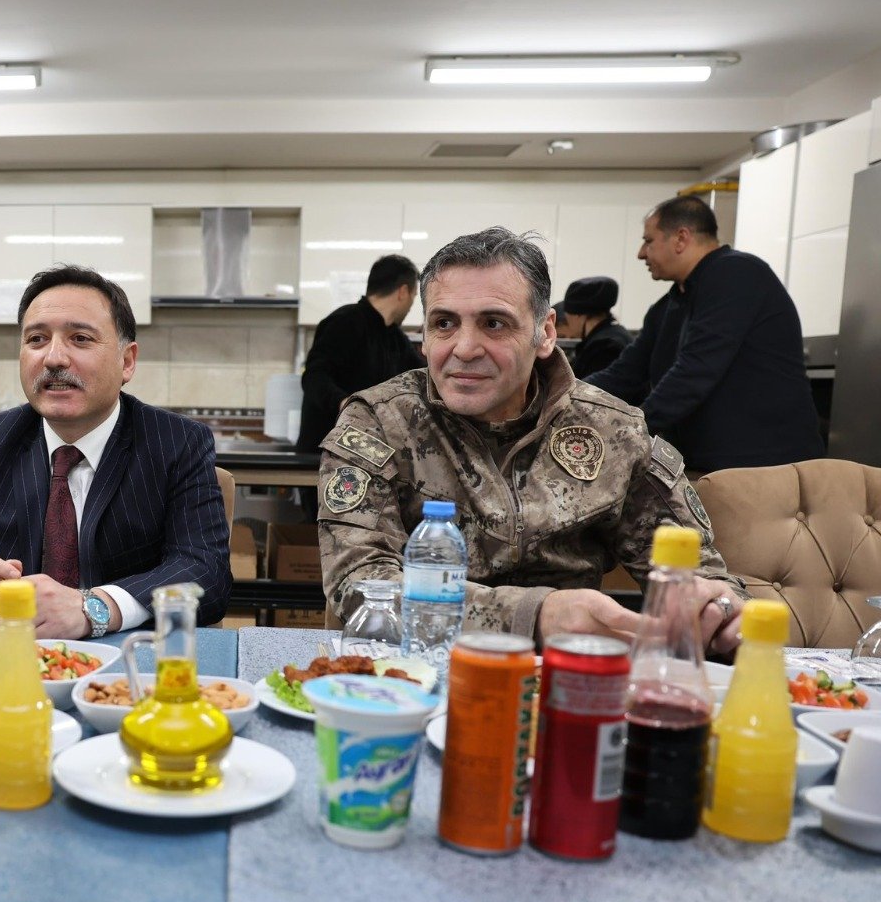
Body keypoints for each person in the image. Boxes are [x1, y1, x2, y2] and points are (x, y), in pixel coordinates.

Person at [316, 227, 747, 652]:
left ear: (545, 332)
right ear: (425, 337)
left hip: (567, 681)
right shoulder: (378, 423)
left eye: (494, 323)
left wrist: (719, 609)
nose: (465, 348)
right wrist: (535, 617)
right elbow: (361, 585)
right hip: (410, 677)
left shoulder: (613, 431)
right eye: (444, 323)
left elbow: (701, 576)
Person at [0, 265, 230, 636]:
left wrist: (94, 608)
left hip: (128, 661)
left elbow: (204, 570)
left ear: (127, 361)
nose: (54, 358)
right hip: (7, 657)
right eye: (37, 340)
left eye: (80, 338)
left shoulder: (177, 443)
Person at [583, 195, 823, 473]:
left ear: (681, 238)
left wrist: (631, 431)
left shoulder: (737, 274)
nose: (641, 253)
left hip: (767, 467)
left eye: (649, 241)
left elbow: (695, 370)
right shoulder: (671, 305)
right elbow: (624, 374)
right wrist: (562, 392)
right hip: (712, 467)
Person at [295, 254, 422, 455]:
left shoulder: (395, 338)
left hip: (366, 454)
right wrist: (345, 403)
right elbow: (314, 377)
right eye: (414, 298)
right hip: (325, 454)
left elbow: (419, 376)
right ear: (403, 292)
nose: (410, 306)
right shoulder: (344, 322)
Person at [556, 275, 631, 377]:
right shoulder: (616, 334)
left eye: (567, 315)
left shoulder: (604, 347)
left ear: (578, 315)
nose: (568, 322)